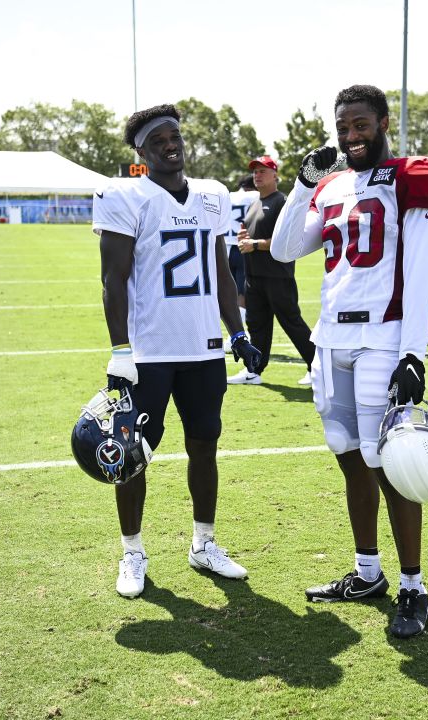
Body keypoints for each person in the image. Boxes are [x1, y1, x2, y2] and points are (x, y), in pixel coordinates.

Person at [271, 84, 428, 638]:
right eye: (343, 126)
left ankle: (413, 585)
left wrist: (414, 352)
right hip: (330, 341)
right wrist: (303, 186)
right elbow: (282, 249)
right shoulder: (332, 186)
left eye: (361, 125)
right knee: (348, 454)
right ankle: (367, 572)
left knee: (391, 464)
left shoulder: (411, 178)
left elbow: (421, 270)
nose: (350, 136)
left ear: (383, 122)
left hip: (382, 337)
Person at [92, 103, 263, 597]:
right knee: (130, 454)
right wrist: (120, 349)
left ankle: (203, 545)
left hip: (203, 348)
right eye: (158, 139)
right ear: (141, 152)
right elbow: (112, 280)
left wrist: (238, 333)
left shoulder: (211, 196)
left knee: (205, 443)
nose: (171, 144)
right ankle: (132, 552)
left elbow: (222, 275)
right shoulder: (126, 195)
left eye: (175, 135)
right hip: (148, 352)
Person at [228, 155, 317, 386]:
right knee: (257, 324)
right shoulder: (255, 203)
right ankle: (254, 370)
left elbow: (287, 239)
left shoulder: (281, 203)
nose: (257, 175)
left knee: (292, 323)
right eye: (255, 171)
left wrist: (255, 244)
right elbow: (252, 236)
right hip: (254, 275)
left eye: (262, 171)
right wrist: (244, 239)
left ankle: (316, 368)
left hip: (277, 275)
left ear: (275, 175)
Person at [226, 175, 257, 323]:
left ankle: (232, 329)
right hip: (242, 247)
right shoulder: (254, 195)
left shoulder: (228, 196)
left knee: (230, 291)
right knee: (243, 291)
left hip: (224, 249)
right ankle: (241, 329)